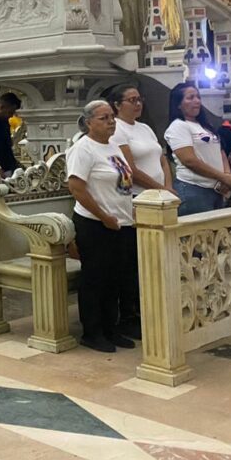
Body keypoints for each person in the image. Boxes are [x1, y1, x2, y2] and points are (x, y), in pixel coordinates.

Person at [66, 100, 137, 353]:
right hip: (94, 223)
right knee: (96, 279)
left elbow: (123, 183)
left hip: (121, 222)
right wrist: (104, 216)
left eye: (111, 117)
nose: (111, 122)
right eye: (103, 118)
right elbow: (77, 188)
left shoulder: (114, 146)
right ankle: (92, 332)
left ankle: (111, 328)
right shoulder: (83, 149)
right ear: (88, 123)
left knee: (116, 278)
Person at [164, 82, 231, 215]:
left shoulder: (205, 126)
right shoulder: (178, 126)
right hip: (194, 189)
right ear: (178, 104)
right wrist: (222, 177)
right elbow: (189, 160)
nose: (196, 101)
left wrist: (227, 175)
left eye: (198, 97)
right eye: (190, 98)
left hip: (216, 189)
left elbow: (220, 151)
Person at [109, 85, 174, 195]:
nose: (138, 104)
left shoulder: (145, 127)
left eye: (139, 99)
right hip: (139, 194)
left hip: (161, 193)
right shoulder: (117, 128)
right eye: (132, 100)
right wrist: (161, 189)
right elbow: (129, 169)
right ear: (117, 105)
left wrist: (168, 187)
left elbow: (162, 160)